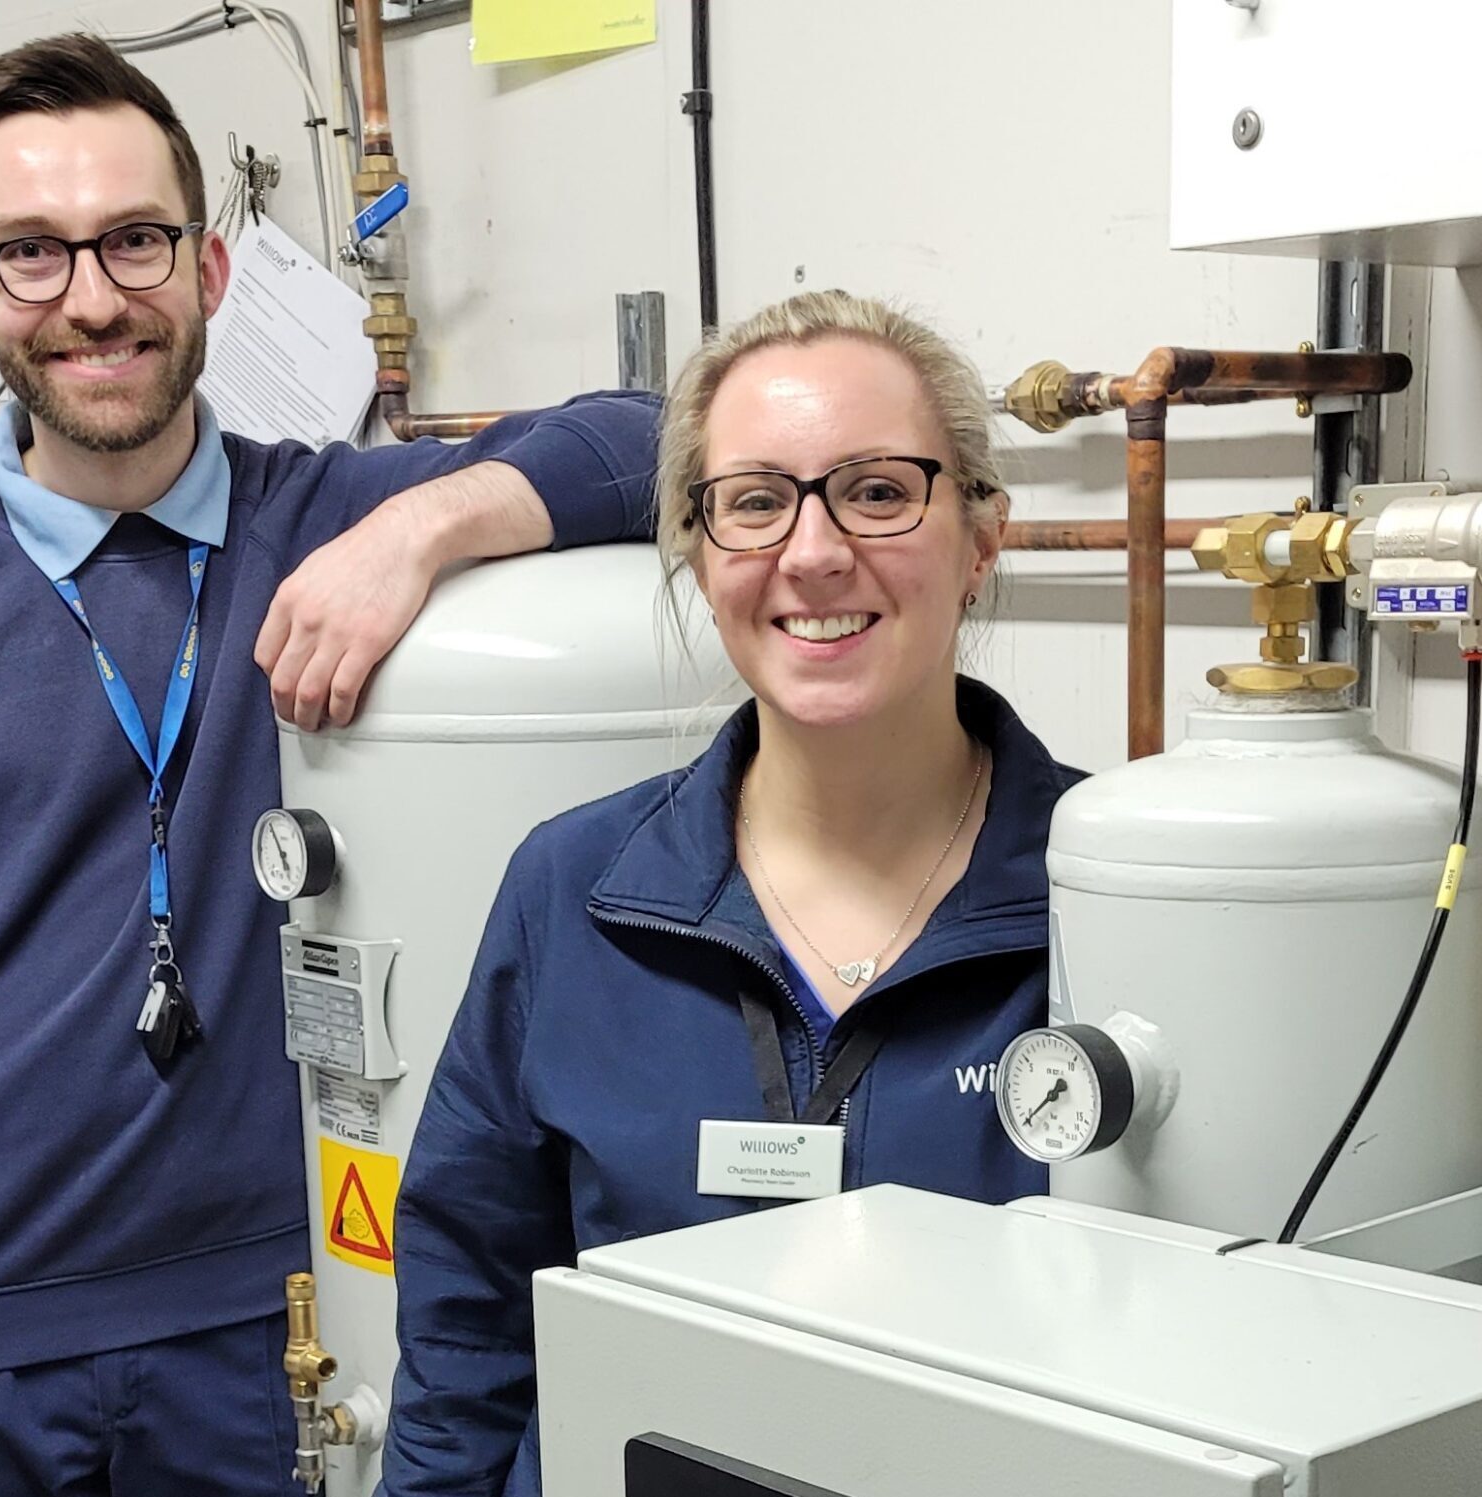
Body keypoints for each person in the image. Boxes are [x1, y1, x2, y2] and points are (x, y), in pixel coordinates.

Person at [0, 34, 658, 1497]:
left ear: (208, 269)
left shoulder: (325, 513)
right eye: (32, 256)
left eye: (133, 241)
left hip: (266, 1317)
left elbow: (654, 439)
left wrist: (419, 531)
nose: (93, 296)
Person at [378, 290, 1082, 1494]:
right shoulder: (576, 890)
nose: (813, 552)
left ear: (980, 539)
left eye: (876, 490)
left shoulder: (1117, 898)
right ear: (701, 558)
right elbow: (468, 1334)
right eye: (755, 502)